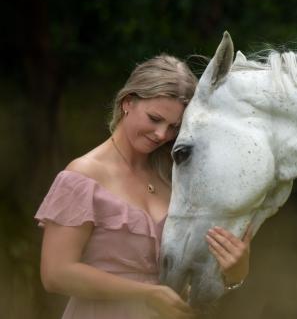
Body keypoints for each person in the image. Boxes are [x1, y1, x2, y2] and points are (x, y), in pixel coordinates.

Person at [35, 54, 252, 319]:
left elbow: (194, 282)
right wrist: (146, 294)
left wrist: (234, 272)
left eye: (174, 127)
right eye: (154, 118)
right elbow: (56, 273)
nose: (162, 135)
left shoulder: (174, 181)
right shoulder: (83, 176)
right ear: (128, 103)